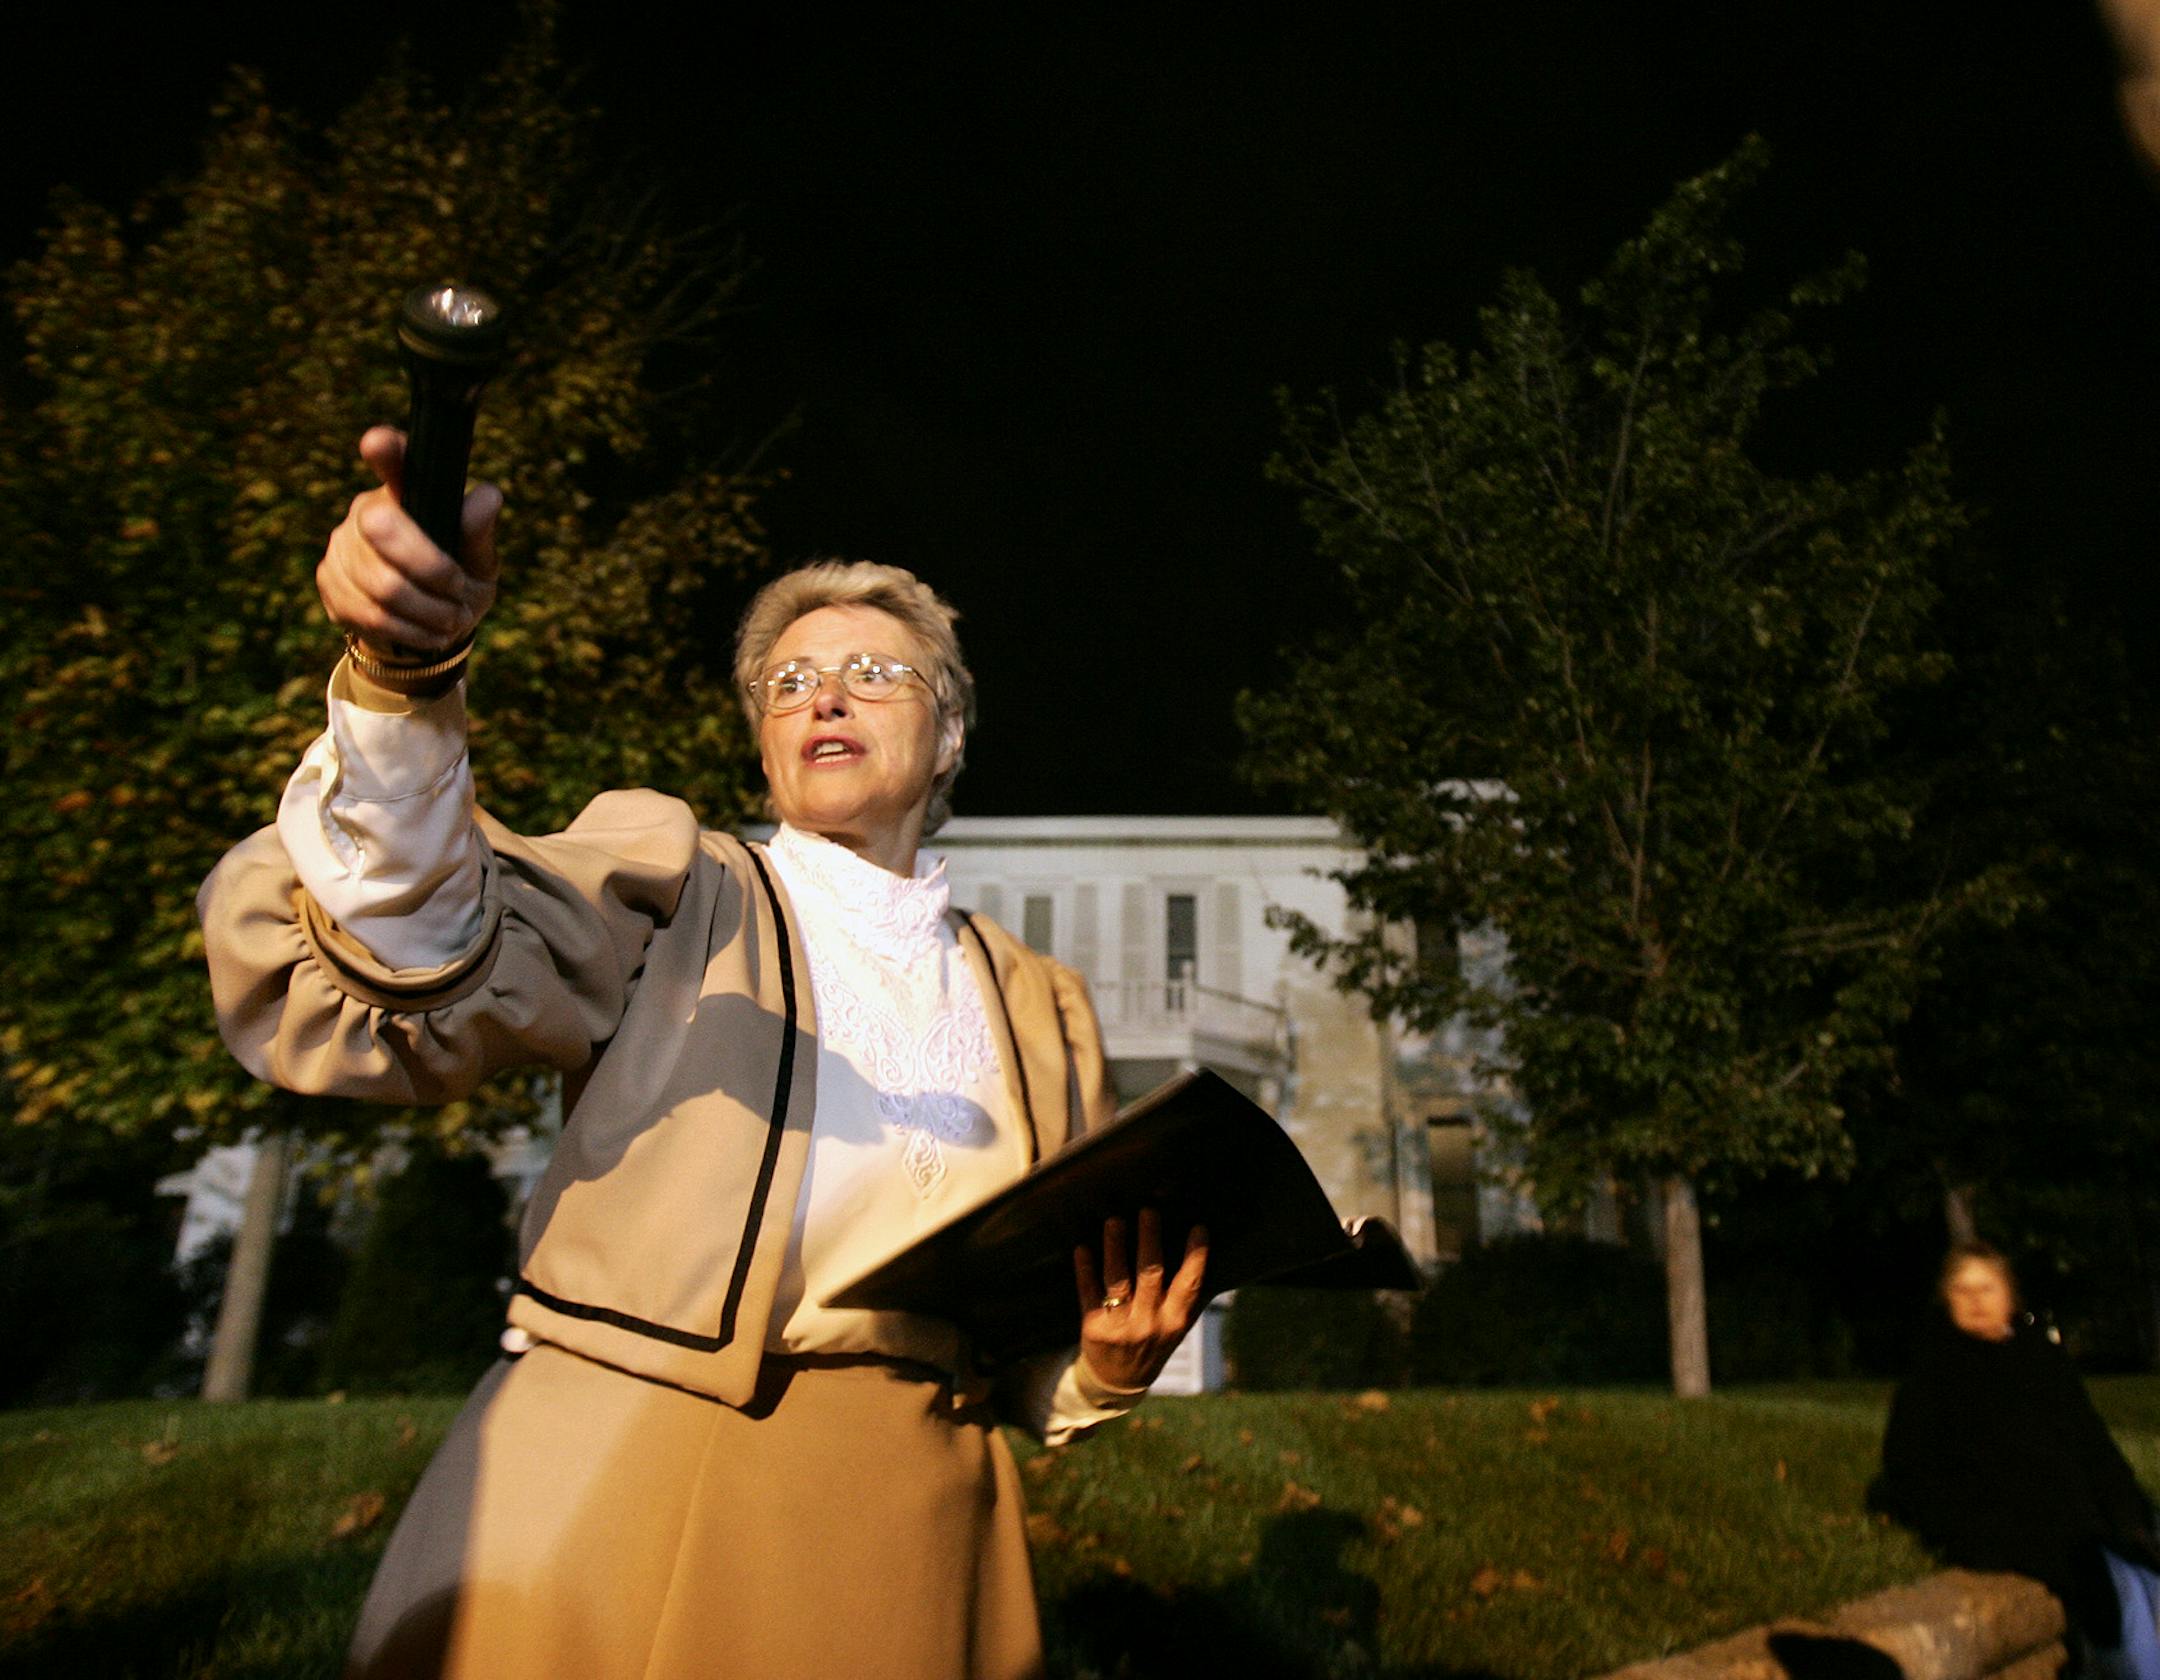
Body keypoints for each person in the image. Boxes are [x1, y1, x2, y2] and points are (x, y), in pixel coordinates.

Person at [196, 426, 1210, 1680]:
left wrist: (1101, 1370)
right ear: (765, 742)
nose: (822, 698)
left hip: (926, 1530)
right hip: (637, 1477)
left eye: (870, 675)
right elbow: (433, 929)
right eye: (787, 685)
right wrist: (406, 677)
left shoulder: (1040, 1005)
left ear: (950, 737)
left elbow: (1017, 1341)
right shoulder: (681, 885)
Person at [1870, 1242, 2160, 1678]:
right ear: (1946, 1300)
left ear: (2009, 1295)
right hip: (2019, 1529)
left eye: (1986, 1288)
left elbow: (2095, 1447)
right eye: (1962, 1290)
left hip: (2084, 1513)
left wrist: (2128, 1511)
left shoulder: (2039, 1357)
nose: (1975, 1301)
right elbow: (1914, 1472)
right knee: (2120, 1595)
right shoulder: (1935, 1371)